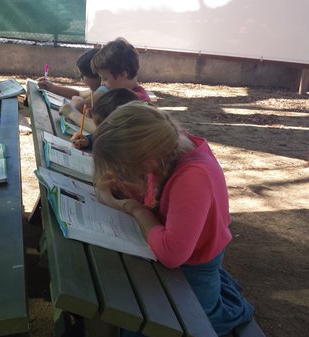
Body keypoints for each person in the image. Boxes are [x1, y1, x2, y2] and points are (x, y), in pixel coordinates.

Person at [92, 102, 254, 336]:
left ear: (146, 163)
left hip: (192, 275)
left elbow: (171, 254)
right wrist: (123, 187)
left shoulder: (193, 177)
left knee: (137, 319)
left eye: (125, 169)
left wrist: (134, 208)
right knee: (116, 292)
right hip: (179, 265)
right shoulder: (166, 149)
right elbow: (161, 197)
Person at [61, 38, 151, 134]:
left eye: (105, 79)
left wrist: (72, 113)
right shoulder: (119, 96)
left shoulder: (137, 101)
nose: (102, 84)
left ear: (123, 74)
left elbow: (107, 131)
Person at [69, 88, 138, 150]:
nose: (97, 132)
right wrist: (88, 141)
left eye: (100, 128)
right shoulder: (119, 136)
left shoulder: (138, 150)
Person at [37, 48, 106, 100]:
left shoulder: (104, 92)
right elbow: (79, 94)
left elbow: (78, 105)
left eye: (83, 75)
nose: (81, 79)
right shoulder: (98, 90)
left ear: (97, 75)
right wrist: (52, 87)